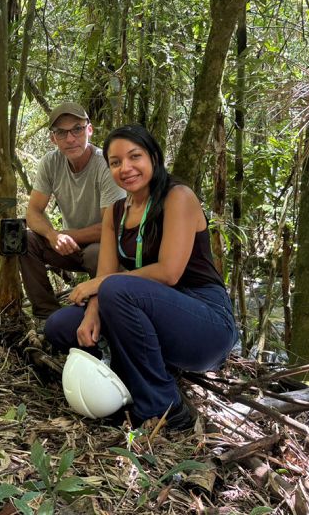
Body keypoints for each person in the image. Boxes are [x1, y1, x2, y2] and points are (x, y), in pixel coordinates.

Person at [44, 124, 238, 430]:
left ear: (154, 157)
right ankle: (132, 378)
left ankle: (166, 408)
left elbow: (168, 273)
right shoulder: (116, 211)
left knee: (117, 288)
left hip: (205, 324)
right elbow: (107, 273)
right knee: (61, 327)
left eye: (135, 157)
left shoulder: (178, 197)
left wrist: (99, 285)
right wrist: (92, 312)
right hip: (149, 314)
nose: (126, 168)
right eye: (116, 162)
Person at [20, 102, 125, 318]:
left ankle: (103, 314)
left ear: (89, 130)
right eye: (61, 132)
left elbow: (111, 227)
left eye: (77, 129)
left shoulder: (105, 164)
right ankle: (46, 314)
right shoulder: (51, 162)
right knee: (25, 240)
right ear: (53, 138)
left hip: (104, 245)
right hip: (69, 247)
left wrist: (67, 235)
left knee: (97, 252)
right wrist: (52, 235)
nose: (70, 139)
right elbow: (33, 212)